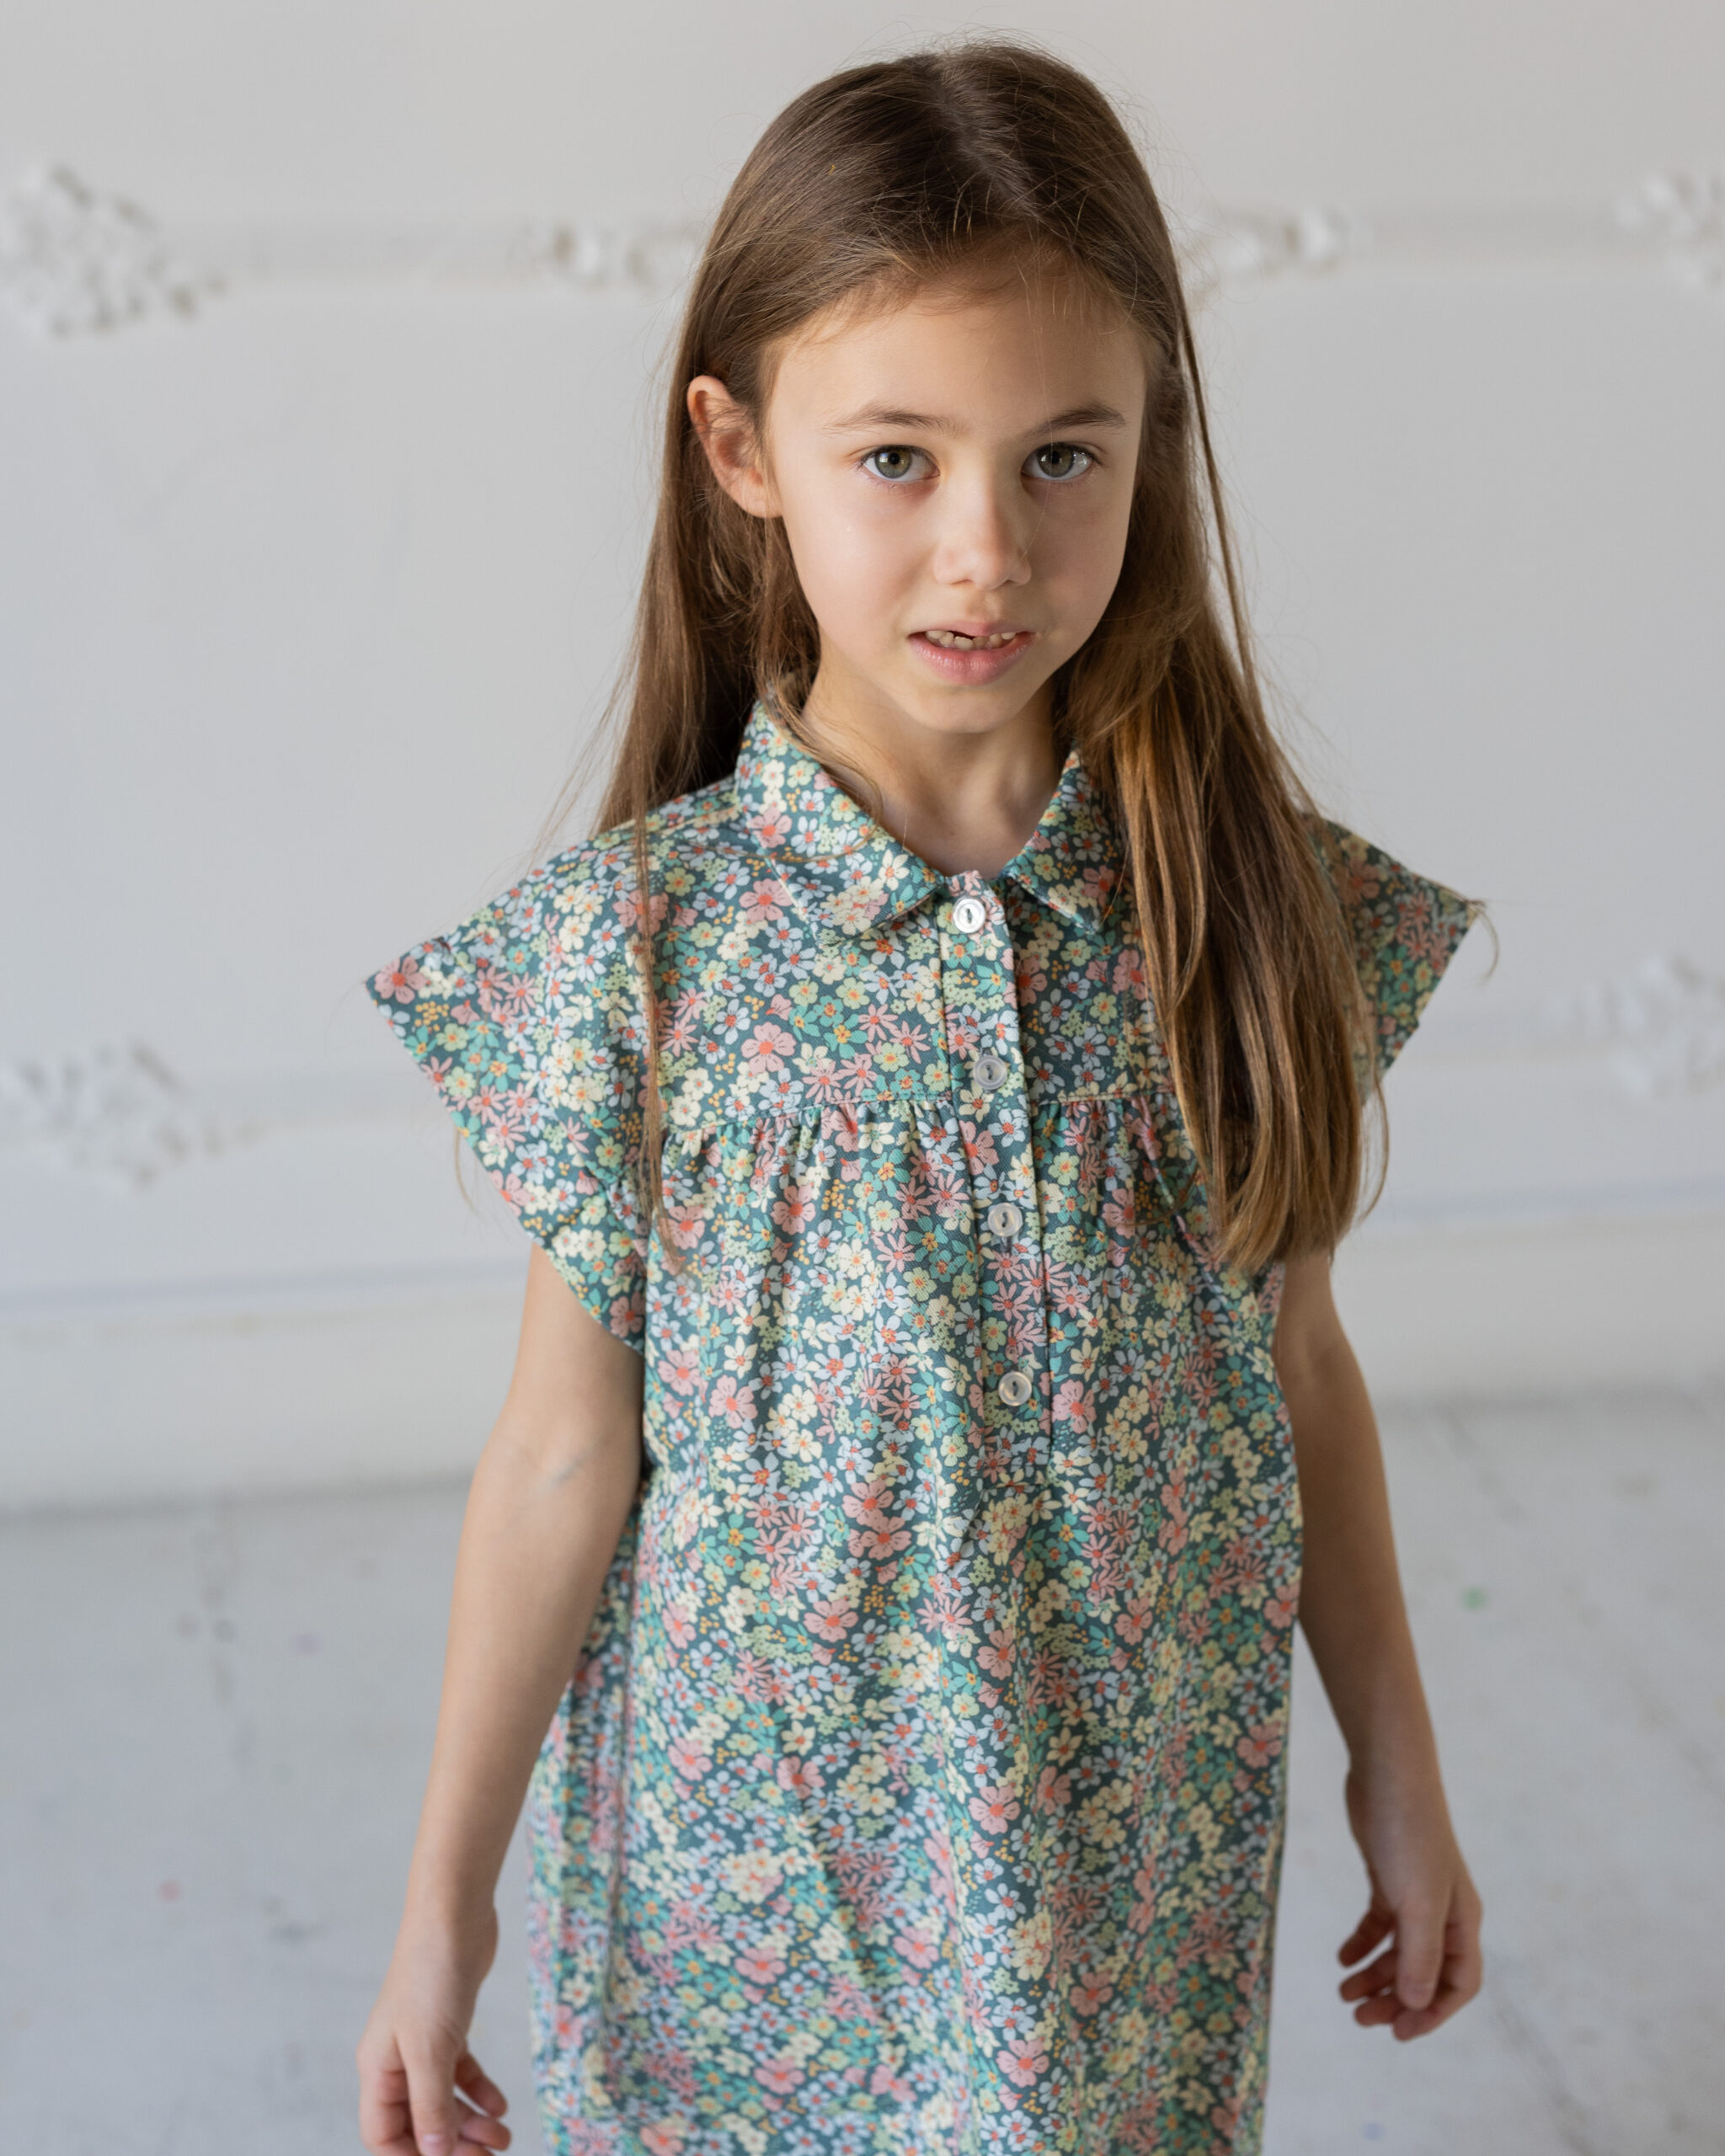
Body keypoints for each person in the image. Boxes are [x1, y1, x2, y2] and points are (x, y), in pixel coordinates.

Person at [355, 39, 1483, 2156]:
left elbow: (1299, 1370)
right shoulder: (638, 957)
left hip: (1122, 1862)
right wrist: (445, 1901)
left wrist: (1394, 1770)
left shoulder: (1247, 914)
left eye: (1062, 457)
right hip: (744, 1879)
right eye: (896, 457)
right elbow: (560, 1452)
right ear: (741, 447)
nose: (987, 549)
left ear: (1150, 440)